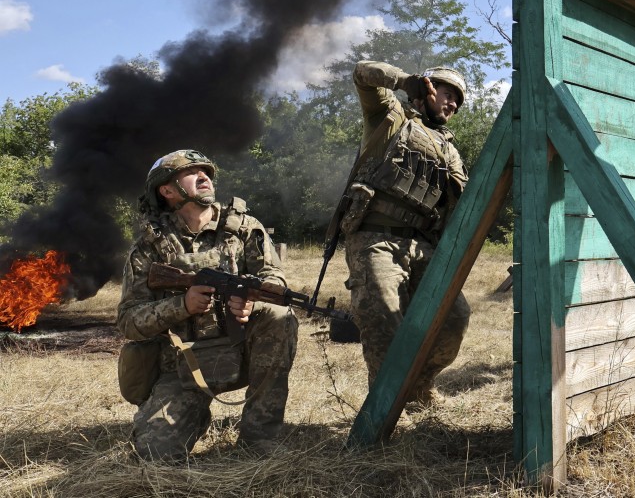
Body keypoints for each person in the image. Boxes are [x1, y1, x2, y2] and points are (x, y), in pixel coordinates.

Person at [117, 149, 297, 461]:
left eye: (206, 172)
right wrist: (182, 305)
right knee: (155, 453)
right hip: (183, 367)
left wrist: (251, 302)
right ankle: (195, 415)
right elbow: (128, 322)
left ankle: (260, 437)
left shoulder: (242, 228)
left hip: (241, 351)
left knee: (279, 315)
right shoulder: (149, 248)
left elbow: (275, 282)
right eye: (192, 172)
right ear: (168, 190)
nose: (204, 177)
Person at [339, 61, 471, 407]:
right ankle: (382, 411)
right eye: (447, 94)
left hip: (424, 245)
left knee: (454, 317)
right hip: (376, 239)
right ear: (428, 89)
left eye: (458, 101)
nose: (453, 104)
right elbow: (361, 73)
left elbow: (462, 205)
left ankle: (419, 386)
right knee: (384, 316)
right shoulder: (389, 116)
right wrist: (405, 81)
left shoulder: (450, 151)